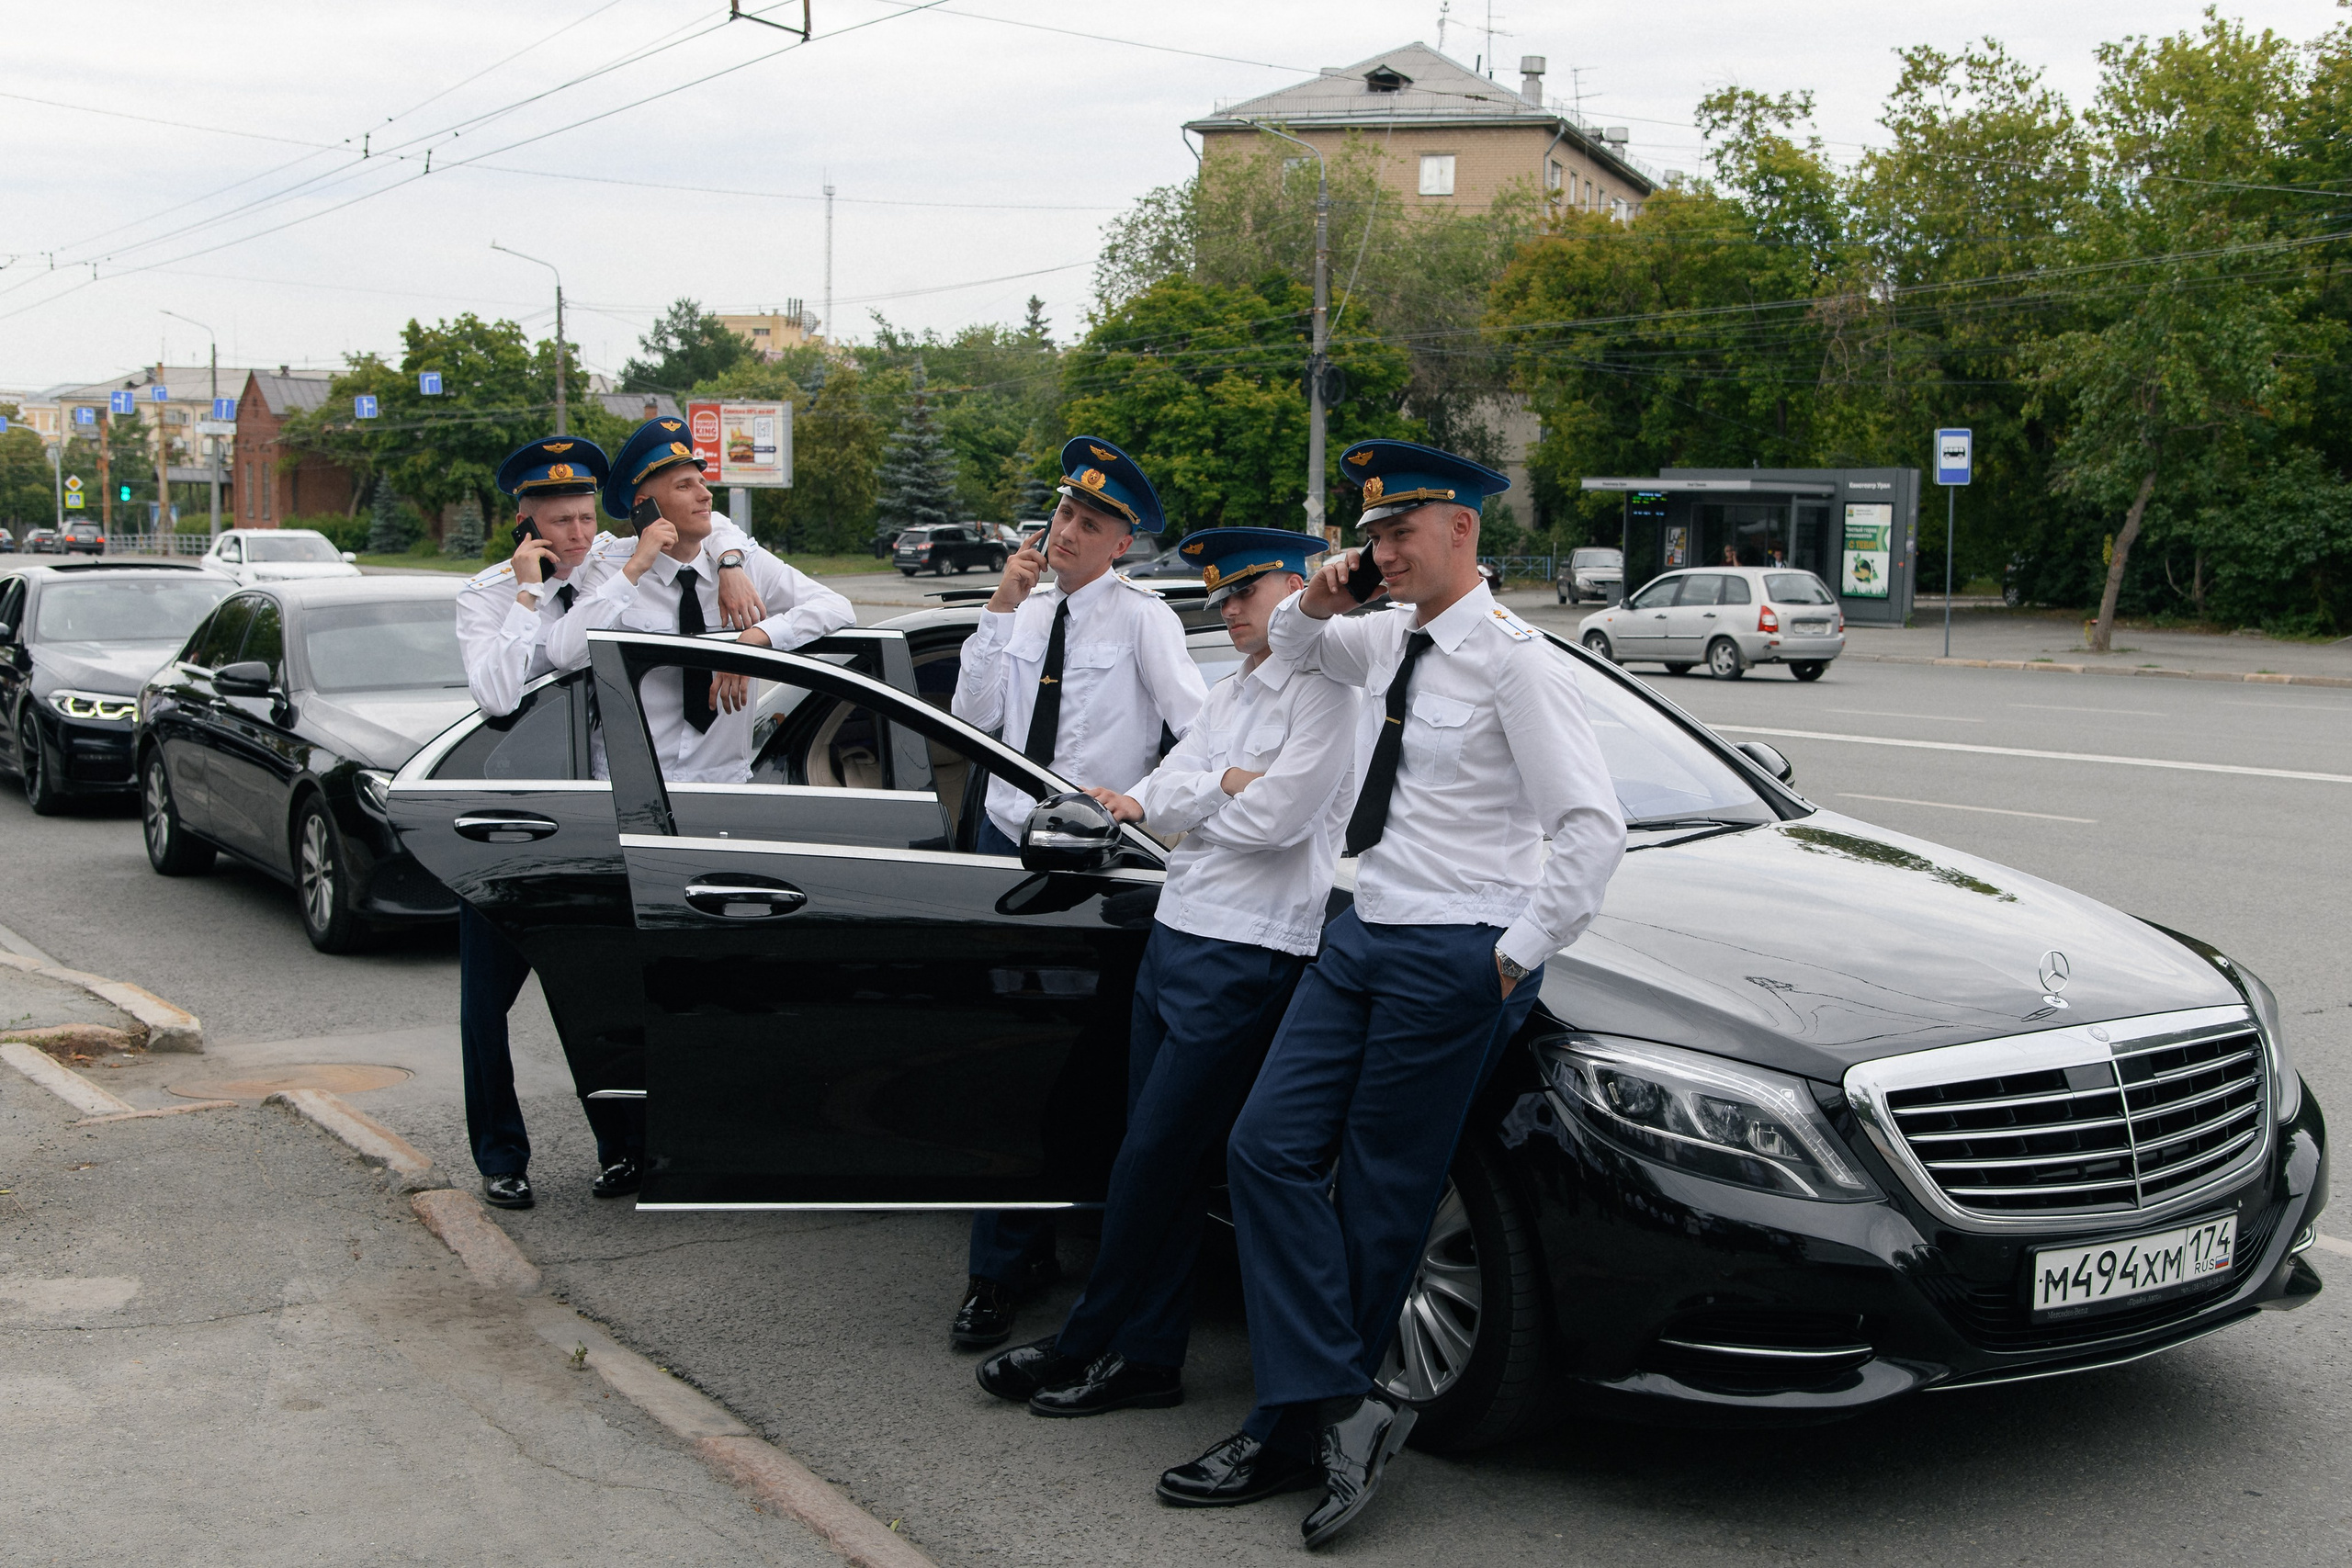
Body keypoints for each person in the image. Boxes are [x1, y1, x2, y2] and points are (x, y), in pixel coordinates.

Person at [1163, 440, 1625, 1545]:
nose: (1380, 550)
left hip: (1453, 950)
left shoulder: (1518, 664)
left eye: (1397, 532)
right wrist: (1320, 594)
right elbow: (1288, 646)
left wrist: (1510, 956)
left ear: (1461, 530)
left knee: (1380, 1196)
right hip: (1365, 931)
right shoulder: (1380, 636)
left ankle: (1286, 1428)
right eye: (1370, 533)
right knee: (1264, 1149)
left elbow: (1589, 832)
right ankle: (1347, 1403)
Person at [972, 528, 1359, 1423]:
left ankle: (1089, 1338)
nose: (1226, 612)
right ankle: (1143, 1356)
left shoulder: (1330, 693)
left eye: (1244, 592)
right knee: (1153, 1158)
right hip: (1180, 930)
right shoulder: (1230, 691)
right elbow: (1179, 785)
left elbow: (1278, 820)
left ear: (1298, 588)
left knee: (1154, 1158)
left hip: (1249, 947)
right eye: (1218, 599)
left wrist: (1196, 798)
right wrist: (1185, 792)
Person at [945, 434, 1207, 1350]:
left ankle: (1077, 1245)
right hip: (1006, 845)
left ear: (1120, 544)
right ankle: (997, 1268)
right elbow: (973, 718)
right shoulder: (1022, 609)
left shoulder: (1143, 622)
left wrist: (1144, 808)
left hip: (1090, 862)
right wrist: (998, 603)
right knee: (1003, 1059)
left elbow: (1200, 732)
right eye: (1063, 513)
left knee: (1077, 1062)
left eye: (1088, 524)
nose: (1065, 532)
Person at [451, 434, 745, 1210]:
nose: (579, 537)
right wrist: (526, 595)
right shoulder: (486, 596)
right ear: (525, 522)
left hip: (609, 817)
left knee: (604, 992)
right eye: (559, 524)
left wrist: (730, 565)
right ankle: (501, 1156)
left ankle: (623, 1149)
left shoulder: (620, 559)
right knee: (485, 1007)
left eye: (586, 518)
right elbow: (497, 695)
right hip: (519, 827)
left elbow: (709, 522)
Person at [547, 416, 854, 782]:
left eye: (703, 482)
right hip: (630, 784)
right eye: (684, 486)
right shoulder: (614, 567)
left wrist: (753, 642)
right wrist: (635, 570)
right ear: (646, 506)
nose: (705, 494)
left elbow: (837, 608)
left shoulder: (741, 562)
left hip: (722, 783)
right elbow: (563, 653)